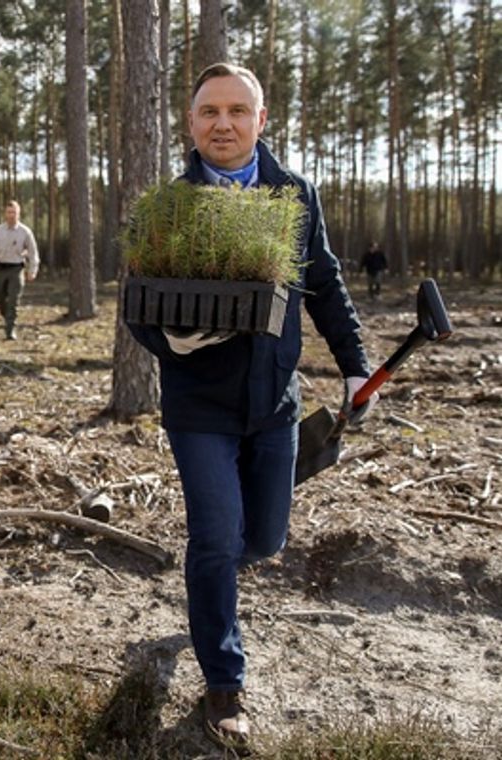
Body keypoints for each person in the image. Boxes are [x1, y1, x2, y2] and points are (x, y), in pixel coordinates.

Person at [126, 63, 377, 754]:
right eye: (210, 111)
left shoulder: (293, 195)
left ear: (262, 121)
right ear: (191, 121)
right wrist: (168, 337)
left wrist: (356, 365)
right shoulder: (167, 207)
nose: (224, 124)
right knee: (214, 538)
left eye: (239, 110)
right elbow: (138, 305)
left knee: (261, 541)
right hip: (198, 405)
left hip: (274, 403)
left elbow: (323, 286)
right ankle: (224, 681)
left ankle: (213, 586)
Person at [0, 200, 40, 340]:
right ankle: (7, 317)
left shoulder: (25, 232)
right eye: (9, 212)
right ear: (5, 214)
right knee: (1, 299)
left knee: (14, 299)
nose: (11, 215)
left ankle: (10, 329)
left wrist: (33, 270)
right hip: (0, 268)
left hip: (16, 268)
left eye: (14, 212)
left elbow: (33, 253)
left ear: (19, 214)